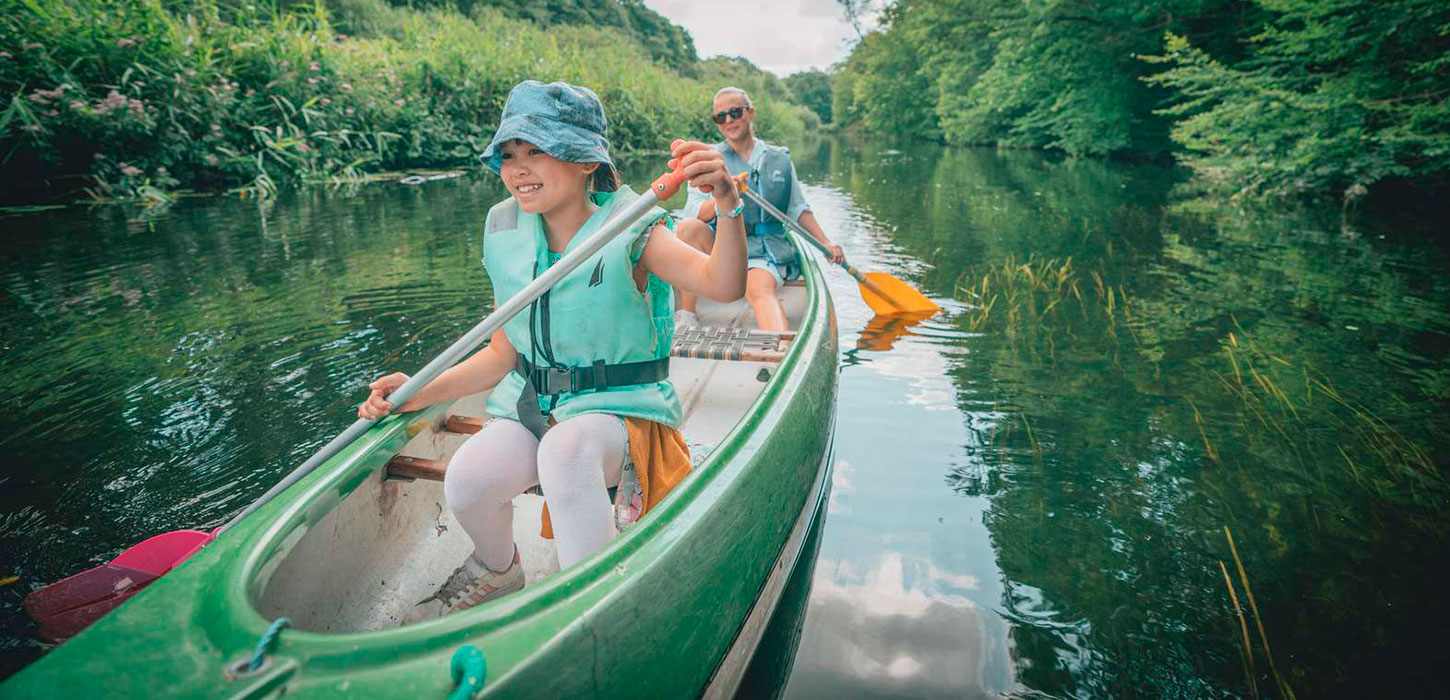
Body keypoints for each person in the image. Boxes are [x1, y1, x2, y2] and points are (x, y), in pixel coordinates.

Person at [355, 80, 747, 622]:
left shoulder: (632, 230)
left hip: (623, 416)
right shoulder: (506, 230)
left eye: (536, 150)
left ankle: (592, 603)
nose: (518, 168)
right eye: (509, 155)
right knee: (468, 479)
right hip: (536, 408)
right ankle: (498, 569)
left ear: (587, 161)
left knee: (565, 453)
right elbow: (501, 355)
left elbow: (723, 286)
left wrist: (727, 205)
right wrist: (416, 391)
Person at [674, 87, 845, 332]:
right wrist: (725, 193)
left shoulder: (779, 158)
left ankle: (780, 348)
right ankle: (687, 315)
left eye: (735, 112)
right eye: (720, 117)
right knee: (688, 228)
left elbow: (798, 209)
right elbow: (693, 210)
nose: (729, 121)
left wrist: (826, 243)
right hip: (723, 247)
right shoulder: (710, 158)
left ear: (750, 112)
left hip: (763, 251)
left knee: (758, 289)